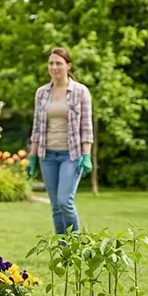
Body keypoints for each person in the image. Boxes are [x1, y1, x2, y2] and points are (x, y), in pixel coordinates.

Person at [27, 46, 93, 235]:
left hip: (70, 155)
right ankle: (61, 250)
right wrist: (32, 156)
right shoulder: (41, 93)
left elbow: (86, 126)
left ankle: (76, 246)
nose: (54, 67)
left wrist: (86, 155)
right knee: (55, 205)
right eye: (51, 63)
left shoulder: (80, 92)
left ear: (68, 65)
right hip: (46, 155)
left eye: (59, 63)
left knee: (65, 202)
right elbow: (37, 127)